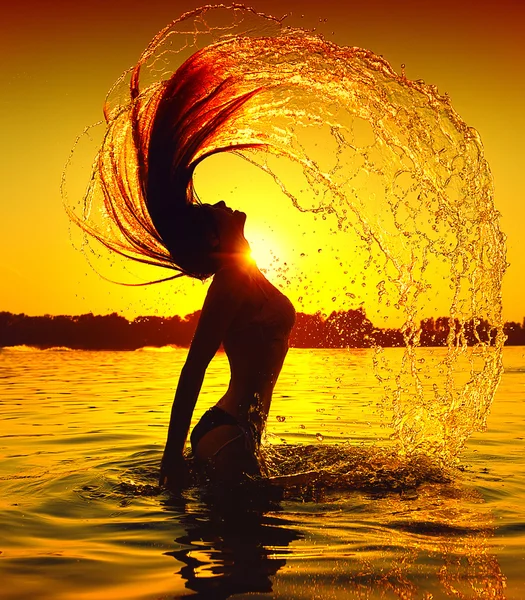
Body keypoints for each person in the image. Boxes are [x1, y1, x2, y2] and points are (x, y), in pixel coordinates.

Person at [158, 200, 296, 491]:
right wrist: (171, 458)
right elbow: (194, 368)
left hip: (241, 431)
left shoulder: (247, 270)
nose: (222, 202)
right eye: (212, 208)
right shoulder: (229, 281)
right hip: (225, 431)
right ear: (213, 237)